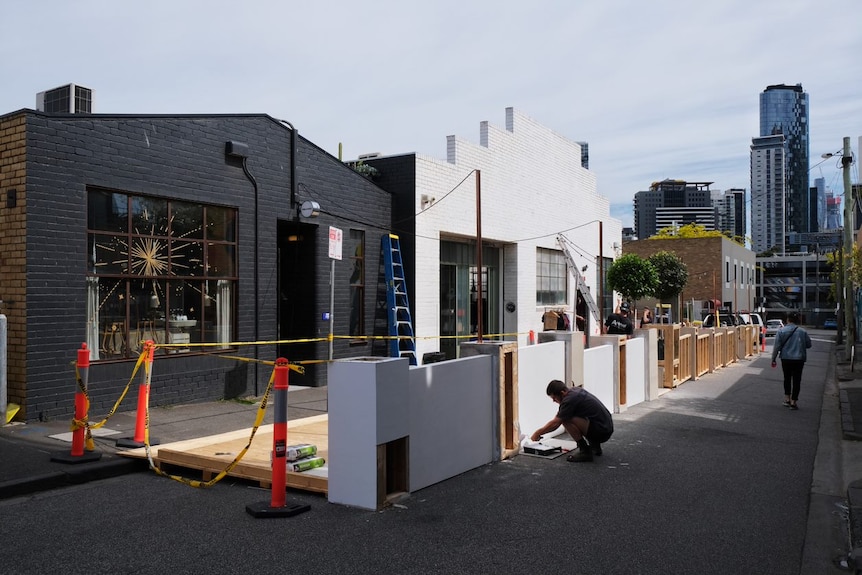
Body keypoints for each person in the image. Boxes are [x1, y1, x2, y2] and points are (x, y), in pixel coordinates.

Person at [531, 380, 614, 462]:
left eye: (554, 398)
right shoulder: (575, 391)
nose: (554, 401)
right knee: (568, 416)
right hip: (606, 427)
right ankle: (594, 446)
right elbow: (559, 415)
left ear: (562, 393)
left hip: (601, 432)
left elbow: (556, 423)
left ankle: (584, 451)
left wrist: (538, 433)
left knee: (565, 420)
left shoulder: (569, 400)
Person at [770, 311, 812, 410]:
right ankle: (794, 402)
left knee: (787, 378)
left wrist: (773, 359)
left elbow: (777, 346)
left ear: (787, 320)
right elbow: (809, 345)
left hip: (786, 358)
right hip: (799, 359)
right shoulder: (802, 331)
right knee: (797, 380)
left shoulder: (781, 331)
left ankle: (787, 398)